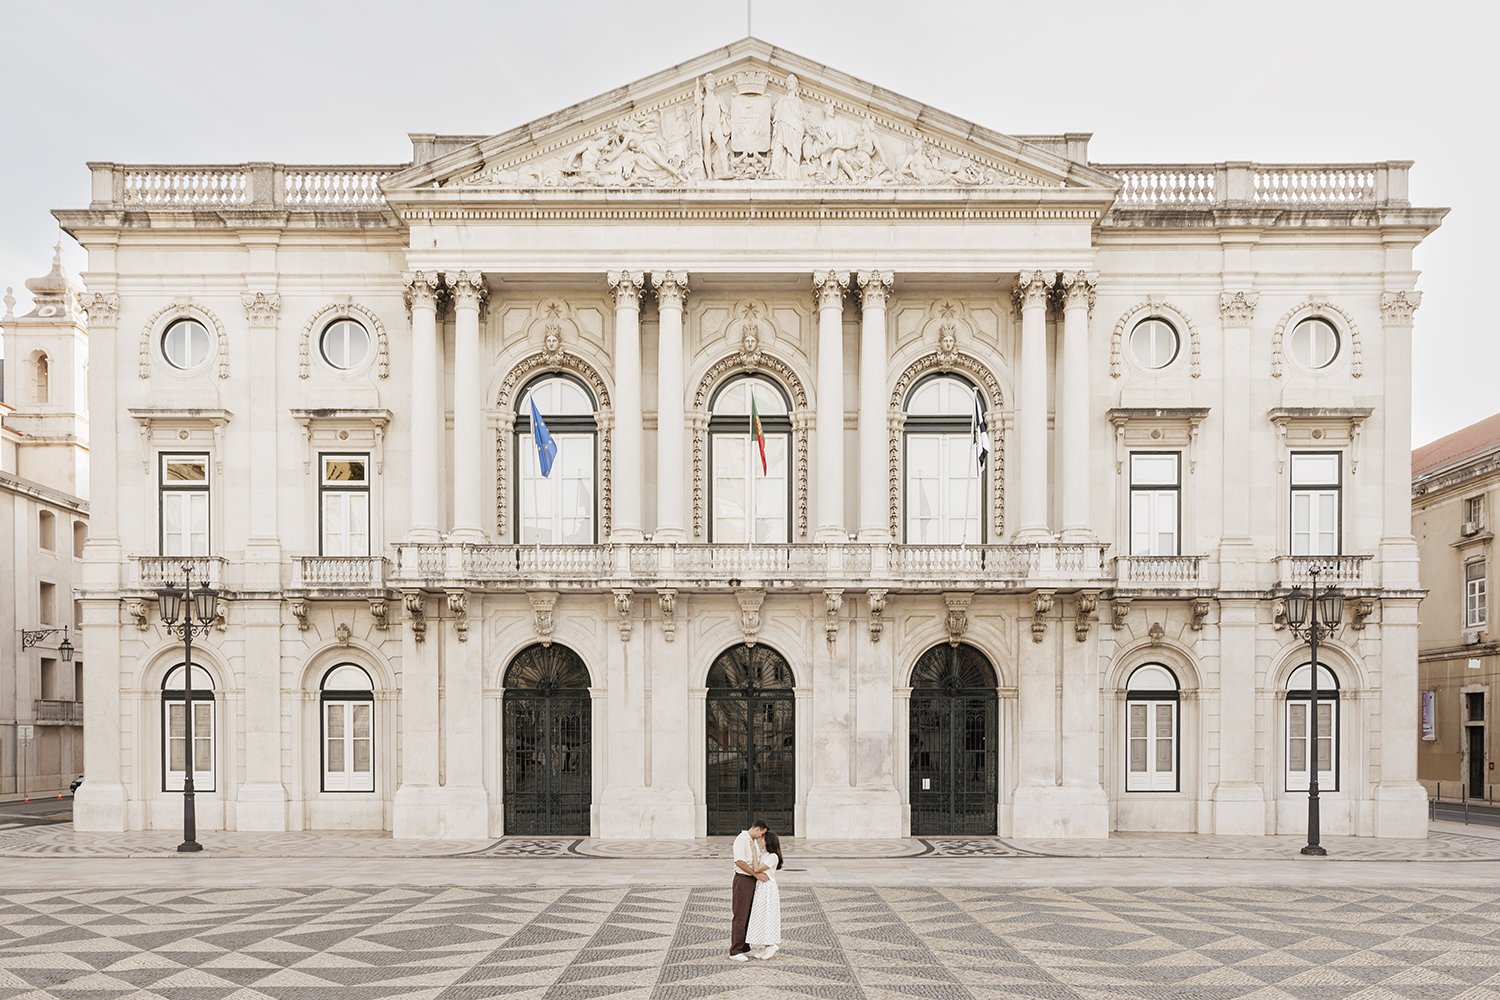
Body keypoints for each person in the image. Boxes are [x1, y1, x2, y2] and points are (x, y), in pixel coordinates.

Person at [728, 819, 768, 961]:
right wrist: (755, 874)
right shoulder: (741, 839)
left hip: (750, 880)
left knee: (749, 913)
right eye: (762, 833)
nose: (761, 837)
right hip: (743, 879)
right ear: (757, 829)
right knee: (740, 914)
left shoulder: (752, 840)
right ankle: (735, 950)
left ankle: (744, 946)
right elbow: (739, 861)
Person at [745, 829, 783, 959]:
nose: (761, 840)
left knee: (768, 915)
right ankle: (766, 946)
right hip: (761, 887)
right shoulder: (765, 854)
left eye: (763, 838)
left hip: (768, 888)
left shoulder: (773, 857)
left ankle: (771, 945)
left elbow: (756, 869)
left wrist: (754, 852)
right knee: (761, 915)